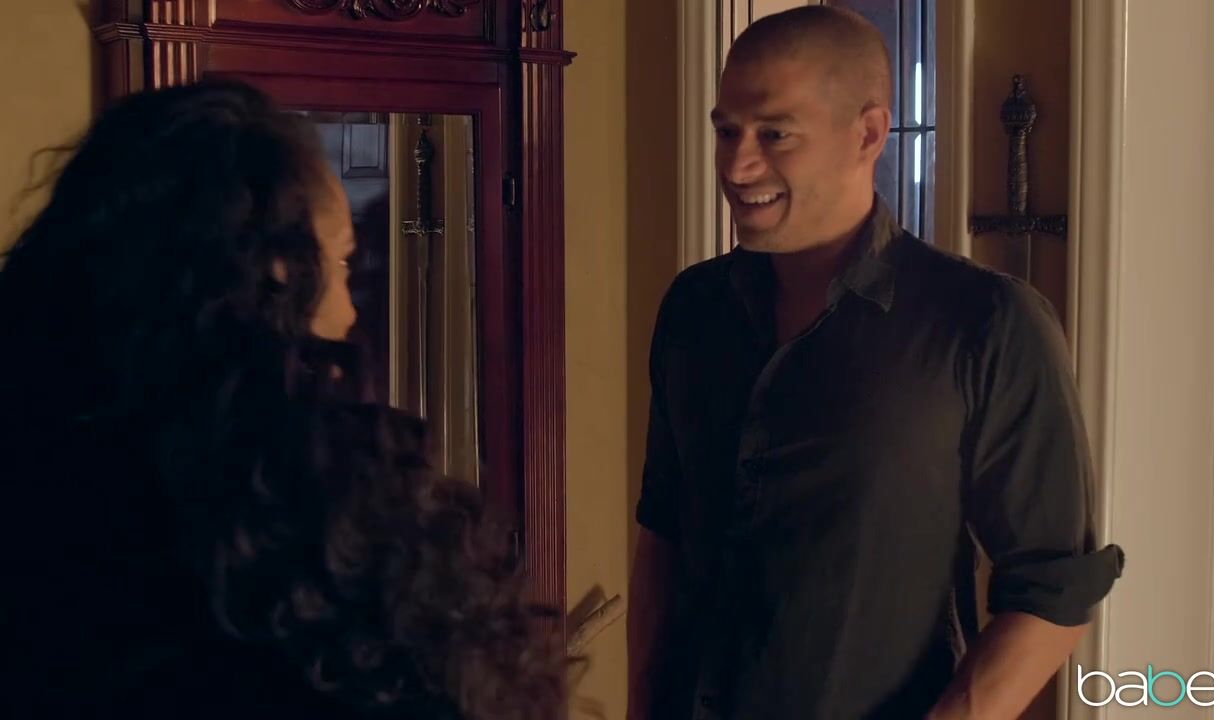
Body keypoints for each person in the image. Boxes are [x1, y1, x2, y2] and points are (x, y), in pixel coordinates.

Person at [0, 80, 565, 720]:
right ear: (275, 273)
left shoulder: (39, 467)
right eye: (342, 263)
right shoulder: (312, 513)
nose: (348, 312)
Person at [626, 7, 1124, 720]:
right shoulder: (693, 309)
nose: (737, 165)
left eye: (774, 134)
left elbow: (1056, 587)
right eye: (726, 131)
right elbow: (663, 529)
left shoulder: (985, 324)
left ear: (867, 133)